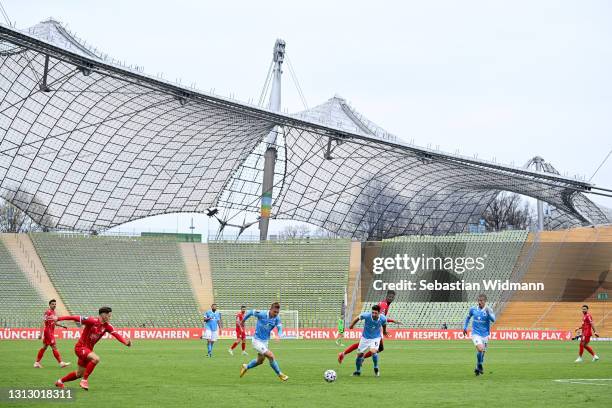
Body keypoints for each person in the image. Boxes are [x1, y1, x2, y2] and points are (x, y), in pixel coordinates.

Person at [53, 306, 131, 390]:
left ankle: (60, 381)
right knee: (96, 359)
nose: (110, 317)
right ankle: (84, 380)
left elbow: (116, 335)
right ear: (103, 315)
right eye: (109, 315)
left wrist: (125, 343)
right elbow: (75, 317)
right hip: (80, 347)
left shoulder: (107, 326)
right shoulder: (91, 321)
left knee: (79, 374)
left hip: (88, 350)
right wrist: (59, 318)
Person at [338, 290, 400, 363]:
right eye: (389, 297)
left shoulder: (385, 304)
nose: (391, 298)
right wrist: (391, 322)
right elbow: (381, 317)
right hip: (374, 327)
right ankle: (357, 357)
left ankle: (344, 354)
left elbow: (382, 318)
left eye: (392, 297)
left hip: (375, 327)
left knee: (363, 344)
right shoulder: (384, 305)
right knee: (379, 348)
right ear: (386, 296)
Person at [239, 302, 288, 381]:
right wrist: (243, 321)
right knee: (271, 356)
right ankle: (280, 374)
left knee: (260, 361)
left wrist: (278, 335)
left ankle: (246, 367)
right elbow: (251, 312)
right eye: (274, 312)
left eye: (277, 312)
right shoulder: (262, 314)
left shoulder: (277, 318)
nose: (276, 314)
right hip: (256, 341)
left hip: (265, 342)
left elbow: (280, 328)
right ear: (270, 309)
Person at [349, 304, 388, 377]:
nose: (373, 314)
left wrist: (384, 331)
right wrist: (352, 325)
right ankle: (358, 371)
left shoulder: (383, 318)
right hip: (365, 338)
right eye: (372, 312)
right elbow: (357, 318)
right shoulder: (366, 315)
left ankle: (376, 367)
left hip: (376, 338)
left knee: (373, 351)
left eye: (375, 313)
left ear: (379, 313)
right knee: (359, 355)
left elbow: (384, 324)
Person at [463, 294, 495, 376]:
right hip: (475, 333)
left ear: (485, 301)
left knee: (482, 353)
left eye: (481, 300)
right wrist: (465, 327)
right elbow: (468, 318)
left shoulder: (489, 310)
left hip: (485, 335)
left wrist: (488, 314)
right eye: (479, 300)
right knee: (480, 349)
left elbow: (493, 320)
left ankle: (477, 368)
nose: (479, 302)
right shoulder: (473, 309)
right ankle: (480, 364)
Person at [34, 299, 70, 368]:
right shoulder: (47, 312)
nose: (54, 305)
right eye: (53, 304)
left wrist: (62, 326)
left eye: (55, 304)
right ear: (50, 305)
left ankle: (36, 363)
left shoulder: (54, 312)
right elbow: (43, 322)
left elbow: (54, 322)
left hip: (50, 332)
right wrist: (40, 334)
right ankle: (61, 363)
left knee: (44, 347)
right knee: (54, 347)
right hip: (48, 332)